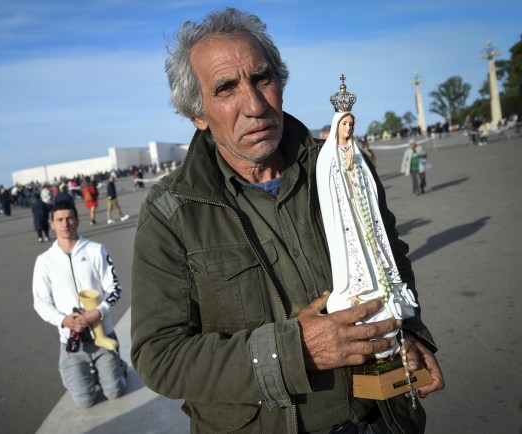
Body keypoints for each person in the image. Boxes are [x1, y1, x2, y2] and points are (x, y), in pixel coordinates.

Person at [131, 8, 444, 434]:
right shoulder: (171, 212)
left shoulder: (342, 165)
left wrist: (411, 331)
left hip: (385, 418)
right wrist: (291, 350)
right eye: (226, 88)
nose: (255, 105)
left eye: (262, 79)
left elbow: (391, 258)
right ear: (197, 114)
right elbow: (160, 357)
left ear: (280, 81)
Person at [317, 78, 418, 361]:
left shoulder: (358, 153)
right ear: (337, 125)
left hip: (363, 209)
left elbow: (368, 183)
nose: (349, 129)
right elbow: (329, 184)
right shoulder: (328, 157)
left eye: (352, 125)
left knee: (375, 246)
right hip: (345, 211)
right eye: (345, 124)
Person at [32, 200, 127, 408]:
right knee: (84, 401)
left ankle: (118, 366)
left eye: (69, 218)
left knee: (114, 391)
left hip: (102, 334)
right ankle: (84, 373)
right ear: (52, 224)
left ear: (77, 220)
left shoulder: (96, 250)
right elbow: (40, 302)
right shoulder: (44, 260)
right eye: (60, 220)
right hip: (71, 340)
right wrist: (64, 320)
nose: (65, 223)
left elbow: (114, 289)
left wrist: (99, 312)